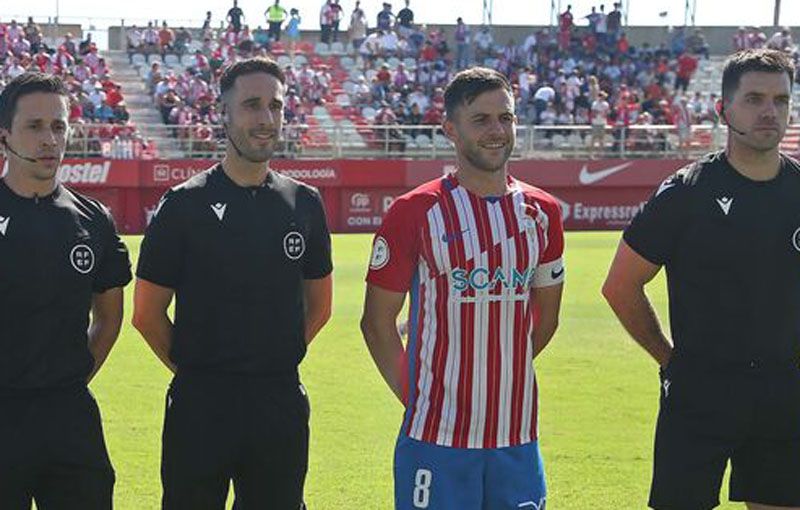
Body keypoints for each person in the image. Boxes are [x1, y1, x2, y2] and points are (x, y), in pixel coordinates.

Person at [602, 49, 800, 510]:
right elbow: (620, 285)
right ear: (723, 109)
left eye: (780, 100)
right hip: (699, 388)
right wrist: (669, 358)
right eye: (753, 99)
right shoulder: (686, 192)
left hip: (782, 389)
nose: (769, 111)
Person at [132, 57, 333, 510]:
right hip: (200, 405)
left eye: (276, 106)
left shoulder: (304, 203)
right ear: (222, 114)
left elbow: (319, 305)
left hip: (278, 400)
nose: (266, 119)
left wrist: (269, 361)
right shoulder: (182, 205)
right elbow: (145, 315)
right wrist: (201, 371)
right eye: (252, 105)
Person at [361, 67, 564, 510]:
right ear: (450, 129)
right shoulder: (415, 211)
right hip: (435, 439)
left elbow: (545, 319)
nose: (497, 130)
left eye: (505, 118)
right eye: (481, 120)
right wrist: (417, 397)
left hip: (517, 437)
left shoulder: (543, 212)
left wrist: (499, 374)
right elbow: (376, 323)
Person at [0, 72, 131, 509]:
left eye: (58, 126)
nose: (49, 140)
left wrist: (69, 379)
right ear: (5, 136)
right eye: (34, 127)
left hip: (71, 418)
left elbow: (109, 318)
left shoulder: (92, 220)